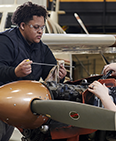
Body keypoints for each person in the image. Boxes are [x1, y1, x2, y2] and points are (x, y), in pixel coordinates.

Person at [0, 2, 67, 141]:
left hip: (20, 106)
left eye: (42, 27)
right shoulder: (5, 41)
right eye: (36, 27)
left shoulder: (42, 48)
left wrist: (59, 76)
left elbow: (50, 75)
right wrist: (15, 72)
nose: (40, 31)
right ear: (22, 25)